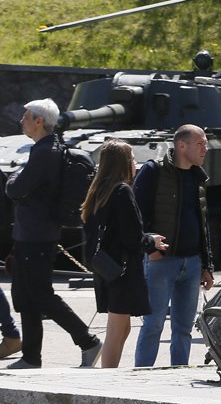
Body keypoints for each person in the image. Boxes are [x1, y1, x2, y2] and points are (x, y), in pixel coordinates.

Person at [5, 99, 101, 369]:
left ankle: (87, 340)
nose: (21, 121)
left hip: (36, 236)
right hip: (31, 235)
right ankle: (31, 357)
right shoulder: (46, 149)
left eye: (26, 117)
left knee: (41, 295)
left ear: (39, 121)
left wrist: (14, 178)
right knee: (26, 296)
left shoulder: (45, 152)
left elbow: (15, 188)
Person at [80, 139, 167, 368]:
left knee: (122, 327)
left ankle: (110, 374)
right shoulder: (122, 191)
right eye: (131, 159)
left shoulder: (98, 191)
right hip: (123, 269)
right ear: (122, 163)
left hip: (107, 267)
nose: (135, 164)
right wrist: (151, 240)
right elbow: (132, 236)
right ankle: (108, 379)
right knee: (117, 329)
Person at [132, 125, 213, 367]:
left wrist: (206, 264)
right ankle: (142, 375)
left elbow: (203, 224)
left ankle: (178, 374)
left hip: (192, 264)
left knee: (184, 328)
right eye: (200, 144)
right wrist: (150, 249)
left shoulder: (198, 176)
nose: (205, 149)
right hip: (161, 262)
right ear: (181, 145)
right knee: (153, 324)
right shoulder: (153, 171)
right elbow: (135, 215)